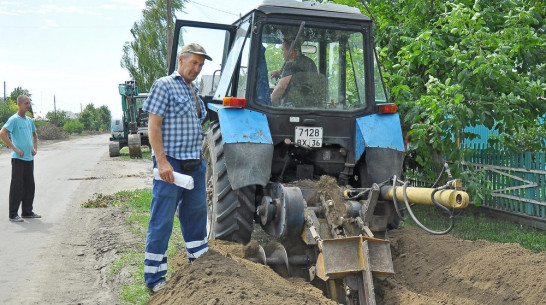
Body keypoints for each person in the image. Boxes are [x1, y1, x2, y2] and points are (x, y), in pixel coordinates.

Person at [142, 43, 211, 293]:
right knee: (162, 220)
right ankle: (154, 278)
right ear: (181, 59)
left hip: (194, 163)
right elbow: (154, 126)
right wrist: (161, 161)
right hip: (171, 165)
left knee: (196, 217)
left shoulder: (193, 89)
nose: (197, 69)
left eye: (201, 65)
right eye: (194, 63)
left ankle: (199, 263)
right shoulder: (164, 85)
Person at [0, 95, 41, 222]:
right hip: (18, 158)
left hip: (29, 158)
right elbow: (2, 133)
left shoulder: (29, 120)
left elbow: (34, 134)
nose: (28, 106)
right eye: (26, 103)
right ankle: (13, 214)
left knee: (29, 186)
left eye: (29, 103)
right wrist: (15, 148)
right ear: (19, 104)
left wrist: (34, 148)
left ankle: (27, 212)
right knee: (17, 186)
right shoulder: (14, 119)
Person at [270, 39, 318, 104]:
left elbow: (281, 87)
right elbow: (300, 76)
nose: (282, 53)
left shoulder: (291, 64)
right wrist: (279, 72)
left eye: (283, 50)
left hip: (293, 107)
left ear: (291, 51)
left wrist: (272, 103)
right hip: (312, 104)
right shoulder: (310, 62)